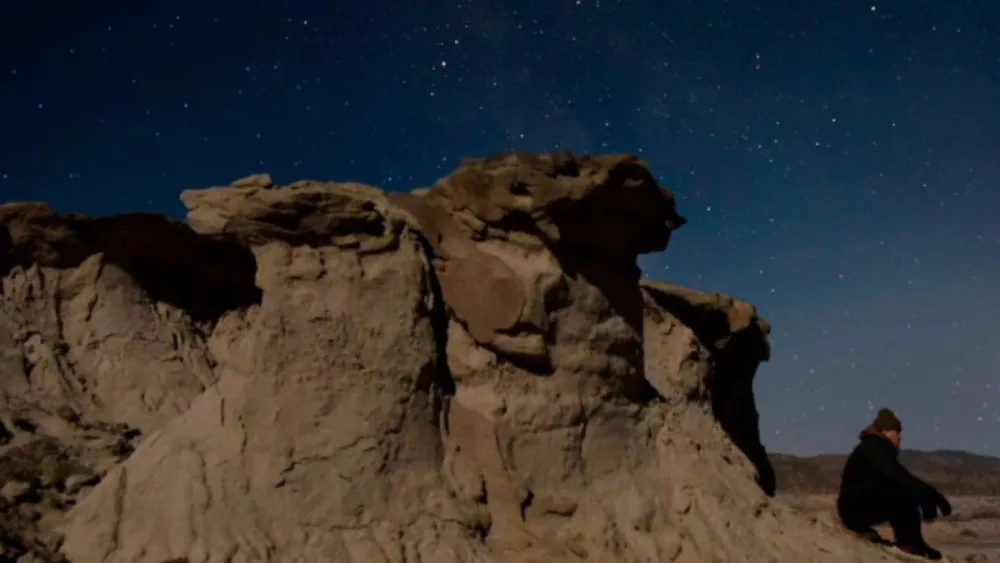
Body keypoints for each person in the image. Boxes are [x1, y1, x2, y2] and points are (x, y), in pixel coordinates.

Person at [836, 408, 952, 560]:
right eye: (898, 433)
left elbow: (901, 475)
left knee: (902, 489)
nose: (900, 438)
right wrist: (928, 497)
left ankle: (914, 542)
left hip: (856, 507)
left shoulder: (877, 448)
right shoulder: (873, 447)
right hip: (853, 510)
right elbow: (897, 476)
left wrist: (931, 495)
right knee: (902, 492)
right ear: (886, 431)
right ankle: (910, 544)